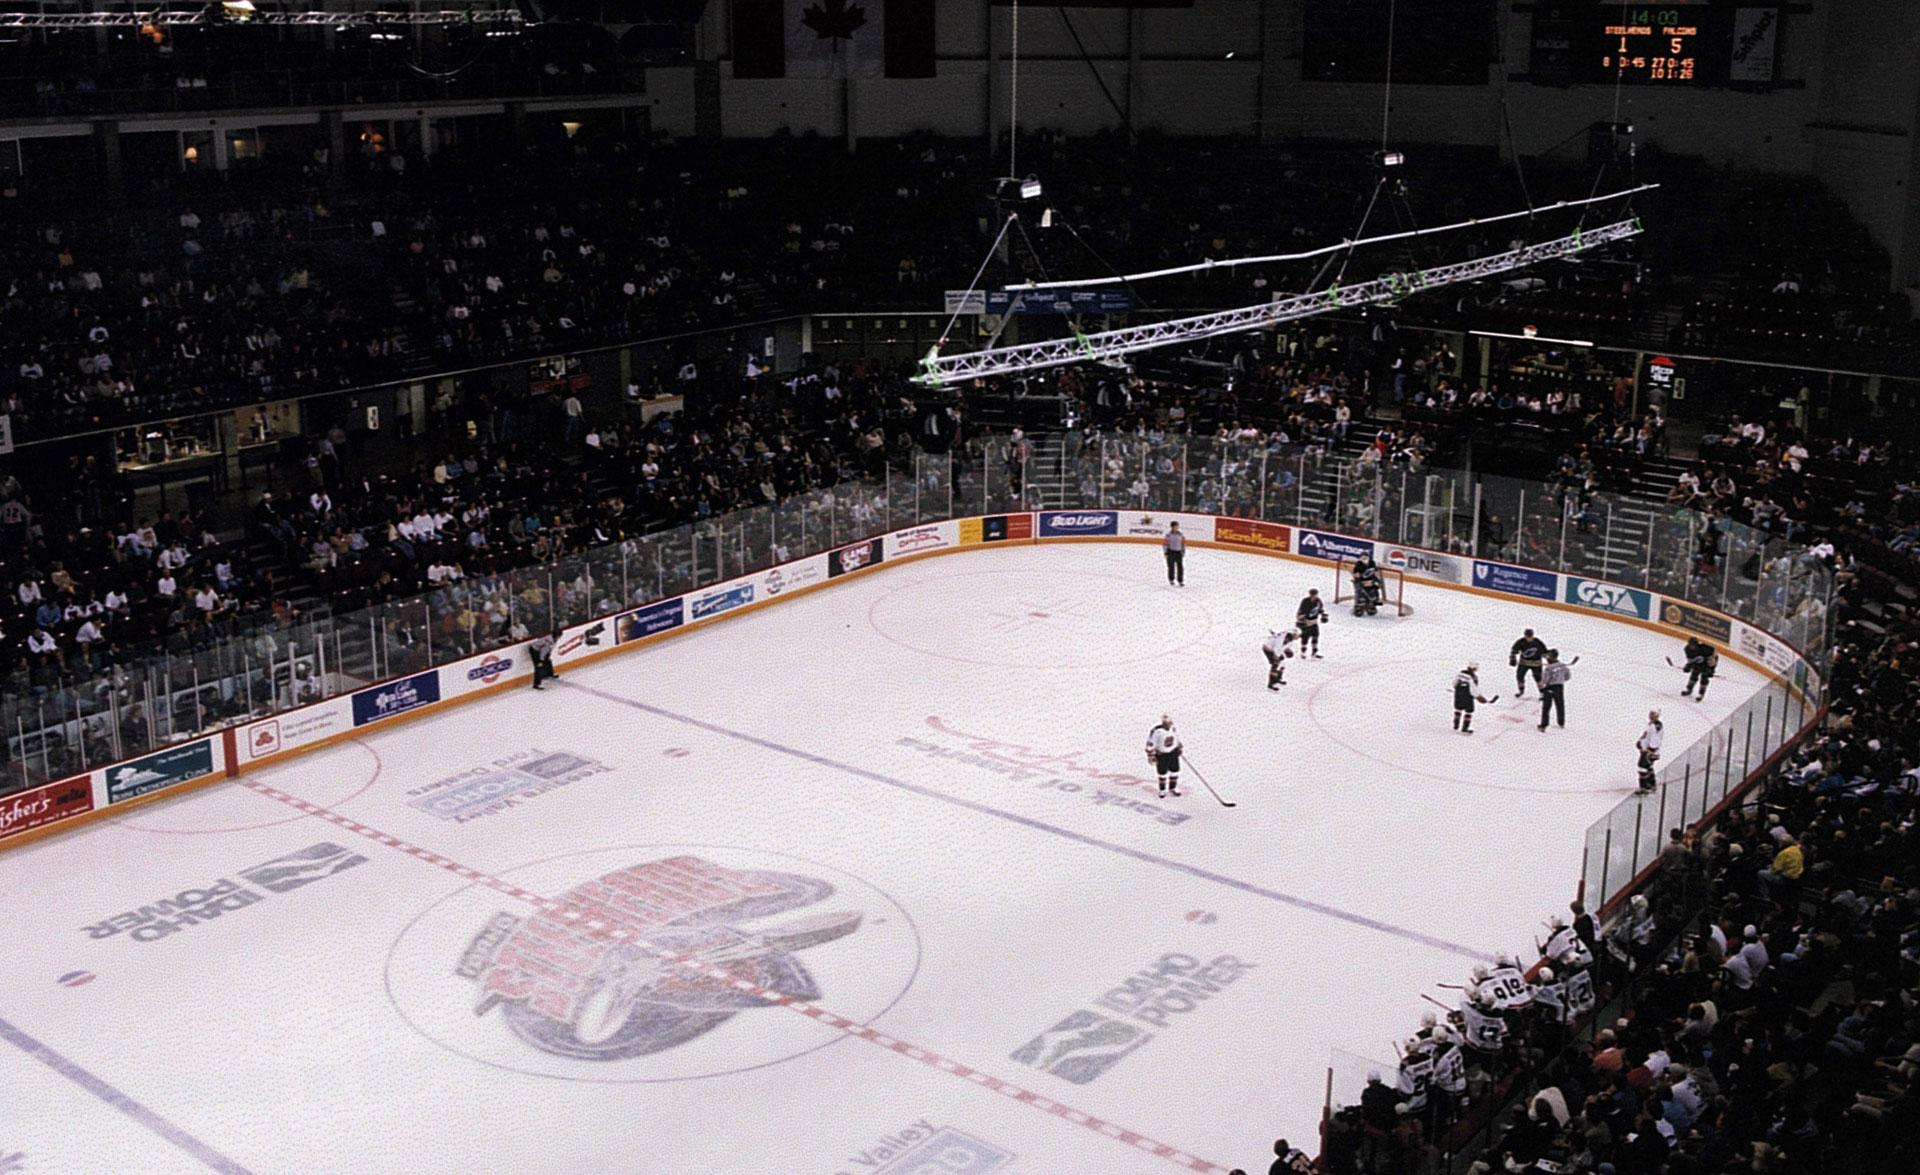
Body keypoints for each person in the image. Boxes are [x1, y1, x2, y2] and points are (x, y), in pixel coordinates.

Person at [1144, 714, 1183, 798]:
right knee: (1162, 773)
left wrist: (1179, 747)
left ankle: (1173, 787)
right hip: (1162, 755)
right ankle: (1162, 790)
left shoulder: (1173, 728)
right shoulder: (1157, 731)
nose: (1168, 724)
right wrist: (1151, 755)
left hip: (1173, 753)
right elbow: (1151, 743)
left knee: (1175, 771)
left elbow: (1176, 738)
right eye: (1166, 723)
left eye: (1169, 722)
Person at [1453, 661, 1492, 734]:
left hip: (1458, 694)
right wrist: (1479, 697)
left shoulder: (1460, 674)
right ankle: (1464, 729)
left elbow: (1454, 684)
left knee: (1458, 709)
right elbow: (1473, 690)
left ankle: (1456, 725)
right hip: (1467, 697)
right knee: (1469, 711)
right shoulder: (1473, 677)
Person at [1537, 649, 1571, 731]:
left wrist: (1541, 684)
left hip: (1550, 687)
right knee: (1560, 705)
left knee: (1546, 707)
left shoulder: (1548, 668)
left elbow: (1545, 680)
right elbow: (1567, 677)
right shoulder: (1563, 666)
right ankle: (1561, 722)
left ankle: (1543, 725)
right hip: (1559, 687)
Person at [1509, 628, 1547, 697]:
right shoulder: (1521, 642)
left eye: (1530, 636)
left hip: (1536, 663)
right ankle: (1521, 690)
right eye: (1527, 636)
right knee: (1519, 676)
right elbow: (1514, 650)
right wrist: (1512, 658)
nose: (1529, 638)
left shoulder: (1538, 642)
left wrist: (1550, 658)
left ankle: (1542, 692)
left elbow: (1544, 652)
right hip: (1524, 662)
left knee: (1538, 678)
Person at [1636, 709, 1664, 792]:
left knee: (1642, 767)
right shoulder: (1652, 724)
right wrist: (1640, 743)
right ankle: (1652, 784)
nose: (1650, 715)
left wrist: (1650, 750)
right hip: (1647, 750)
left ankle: (1645, 788)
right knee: (1648, 766)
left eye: (1653, 714)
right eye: (1650, 713)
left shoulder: (1655, 726)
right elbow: (1647, 736)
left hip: (1649, 752)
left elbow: (1655, 739)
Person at [1295, 589, 1326, 658]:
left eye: (1315, 595)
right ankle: (1303, 653)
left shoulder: (1318, 601)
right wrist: (1303, 620)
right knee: (1305, 637)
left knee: (1315, 636)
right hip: (1305, 622)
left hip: (1313, 621)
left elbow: (1320, 609)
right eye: (1312, 595)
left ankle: (1314, 652)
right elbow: (1301, 612)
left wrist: (1323, 615)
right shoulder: (1305, 601)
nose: (1314, 597)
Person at [1163, 521, 1186, 586]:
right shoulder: (1168, 535)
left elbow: (1183, 544)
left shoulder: (1180, 535)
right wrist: (1165, 552)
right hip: (1171, 552)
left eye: (1177, 526)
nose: (1177, 528)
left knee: (1180, 567)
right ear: (1172, 527)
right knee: (1171, 567)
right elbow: (1165, 544)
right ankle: (1171, 579)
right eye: (1175, 526)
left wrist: (1183, 551)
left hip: (1178, 552)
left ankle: (1180, 580)